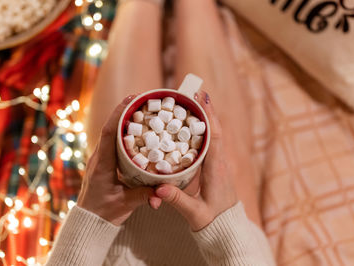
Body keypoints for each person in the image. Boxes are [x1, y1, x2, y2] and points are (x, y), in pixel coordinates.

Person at [46, 0, 276, 265]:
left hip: (113, 239)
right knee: (226, 158)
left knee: (115, 125)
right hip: (224, 250)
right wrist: (224, 231)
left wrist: (93, 217)